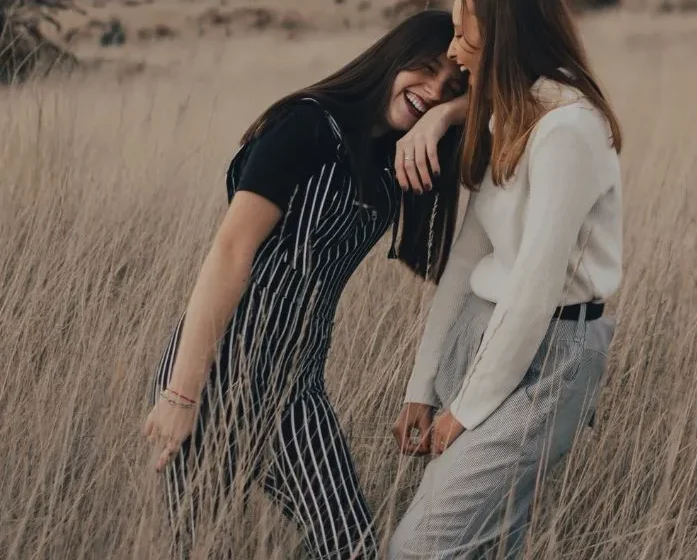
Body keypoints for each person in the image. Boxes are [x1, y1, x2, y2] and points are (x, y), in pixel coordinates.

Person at [141, 10, 468, 559]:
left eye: (452, 86)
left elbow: (514, 103)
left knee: (351, 546)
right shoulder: (309, 124)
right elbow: (229, 253)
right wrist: (181, 393)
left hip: (297, 386)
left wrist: (446, 116)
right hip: (219, 373)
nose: (432, 90)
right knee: (202, 547)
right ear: (393, 58)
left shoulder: (398, 155)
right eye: (426, 70)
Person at [390, 0, 624, 557]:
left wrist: (466, 410)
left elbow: (535, 288)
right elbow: (469, 259)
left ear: (503, 26)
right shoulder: (513, 115)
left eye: (462, 30)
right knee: (484, 546)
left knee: (417, 548)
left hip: (547, 355)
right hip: (481, 334)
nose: (452, 49)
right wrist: (422, 385)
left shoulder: (568, 128)